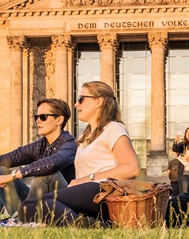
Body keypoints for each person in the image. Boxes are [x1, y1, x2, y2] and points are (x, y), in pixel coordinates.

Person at [21, 81, 140, 226]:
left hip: (102, 191)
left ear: (99, 101)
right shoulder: (86, 136)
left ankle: (87, 225)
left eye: (81, 99)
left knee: (38, 205)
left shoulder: (113, 128)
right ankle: (87, 223)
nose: (76, 105)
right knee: (27, 208)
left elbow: (132, 168)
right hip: (86, 193)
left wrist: (87, 178)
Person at [0, 98, 76, 221]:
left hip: (63, 203)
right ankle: (17, 216)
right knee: (1, 169)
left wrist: (13, 176)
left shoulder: (70, 144)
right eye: (36, 117)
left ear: (59, 120)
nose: (38, 121)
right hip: (36, 199)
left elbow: (52, 164)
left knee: (45, 174)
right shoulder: (39, 146)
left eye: (43, 117)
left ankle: (25, 218)